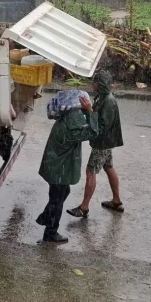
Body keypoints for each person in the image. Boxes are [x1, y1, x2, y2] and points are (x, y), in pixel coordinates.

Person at [36, 93, 97, 244]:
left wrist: (85, 110)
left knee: (61, 194)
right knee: (57, 200)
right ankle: (50, 233)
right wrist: (90, 112)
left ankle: (45, 217)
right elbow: (93, 133)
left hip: (55, 167)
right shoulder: (72, 127)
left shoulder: (66, 119)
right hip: (58, 170)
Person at [67, 69, 124, 218]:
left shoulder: (109, 101)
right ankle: (116, 200)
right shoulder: (102, 97)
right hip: (106, 142)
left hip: (102, 143)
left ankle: (84, 207)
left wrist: (90, 111)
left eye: (96, 82)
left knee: (90, 171)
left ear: (101, 84)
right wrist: (87, 111)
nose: (93, 84)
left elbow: (102, 126)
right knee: (108, 166)